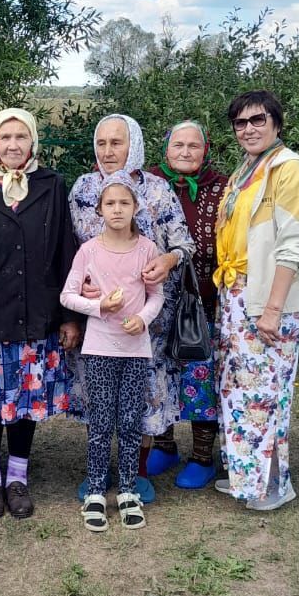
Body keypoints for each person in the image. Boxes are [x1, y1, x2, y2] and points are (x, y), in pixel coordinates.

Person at [69, 114, 193, 504]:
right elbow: (74, 246)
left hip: (145, 319)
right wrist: (84, 283)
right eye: (102, 142)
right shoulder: (84, 188)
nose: (108, 151)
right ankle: (98, 470)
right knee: (101, 394)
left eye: (116, 143)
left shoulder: (156, 190)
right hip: (99, 316)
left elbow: (183, 242)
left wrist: (169, 261)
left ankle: (133, 472)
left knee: (138, 396)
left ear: (133, 145)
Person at [0, 108, 79, 519]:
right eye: (6, 137)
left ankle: (18, 478)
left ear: (33, 142)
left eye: (21, 137)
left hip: (36, 313)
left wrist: (68, 316)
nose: (13, 145)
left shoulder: (50, 185)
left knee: (26, 404)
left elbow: (65, 249)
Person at [214, 90, 299, 511]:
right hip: (237, 293)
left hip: (265, 297)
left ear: (276, 122)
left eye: (257, 120)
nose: (248, 129)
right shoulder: (248, 168)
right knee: (239, 391)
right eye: (240, 123)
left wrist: (274, 309)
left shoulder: (289, 170)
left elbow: (293, 246)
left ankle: (274, 484)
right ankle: (247, 477)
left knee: (266, 393)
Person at [61, 173, 164, 531]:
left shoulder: (147, 249)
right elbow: (68, 295)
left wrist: (143, 318)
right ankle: (95, 492)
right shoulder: (88, 250)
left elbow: (157, 296)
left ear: (136, 208)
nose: (117, 210)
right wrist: (101, 306)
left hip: (136, 351)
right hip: (99, 349)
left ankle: (128, 490)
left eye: (124, 203)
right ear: (99, 210)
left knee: (131, 423)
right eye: (110, 203)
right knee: (101, 423)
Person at [148, 121, 228, 487]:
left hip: (202, 301)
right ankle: (163, 446)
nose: (184, 151)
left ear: (205, 149)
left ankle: (201, 456)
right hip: (154, 302)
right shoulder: (148, 182)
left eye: (193, 145)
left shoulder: (222, 187)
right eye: (177, 144)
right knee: (157, 374)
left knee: (199, 376)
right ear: (166, 149)